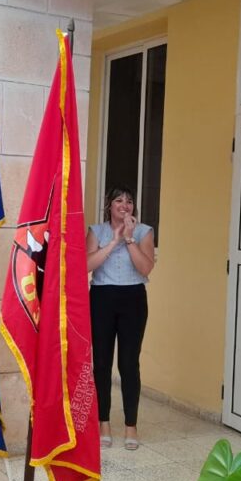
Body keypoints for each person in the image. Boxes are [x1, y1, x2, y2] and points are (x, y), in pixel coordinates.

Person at [86, 186, 155, 450]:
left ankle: (130, 426)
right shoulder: (97, 231)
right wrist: (113, 240)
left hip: (133, 300)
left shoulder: (144, 231)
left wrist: (128, 239)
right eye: (119, 200)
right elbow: (86, 265)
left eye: (129, 201)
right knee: (101, 363)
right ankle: (103, 422)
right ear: (109, 206)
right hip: (102, 298)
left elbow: (146, 267)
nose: (124, 205)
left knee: (128, 364)